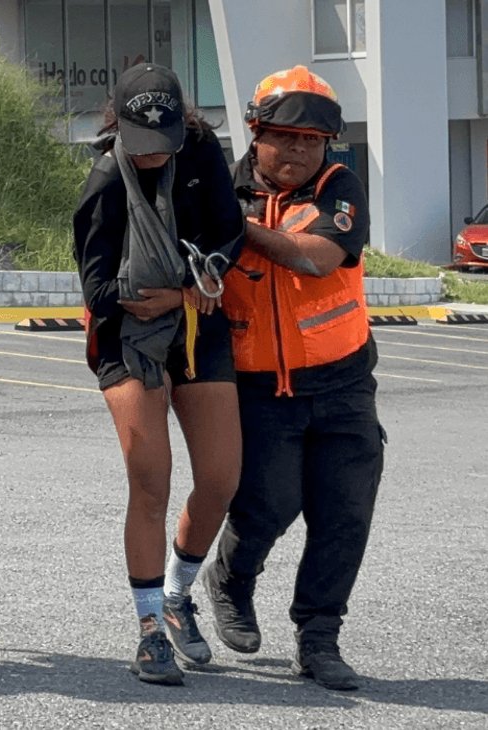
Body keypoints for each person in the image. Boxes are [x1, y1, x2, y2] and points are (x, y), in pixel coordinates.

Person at [202, 66, 383, 692]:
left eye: (314, 139)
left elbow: (313, 257)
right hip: (256, 388)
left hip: (342, 384)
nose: (302, 150)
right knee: (267, 504)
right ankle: (231, 576)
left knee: (344, 514)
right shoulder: (219, 187)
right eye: (288, 136)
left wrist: (230, 223)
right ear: (256, 134)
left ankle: (319, 636)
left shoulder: (340, 186)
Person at [73, 62, 245, 685]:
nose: (152, 156)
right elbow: (96, 289)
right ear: (117, 125)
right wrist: (162, 293)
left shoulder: (201, 151)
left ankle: (177, 594)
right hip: (130, 337)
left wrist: (190, 288)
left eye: (162, 143)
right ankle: (149, 631)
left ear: (181, 125)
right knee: (151, 484)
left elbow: (229, 232)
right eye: (140, 145)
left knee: (222, 479)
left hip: (198, 324)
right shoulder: (103, 182)